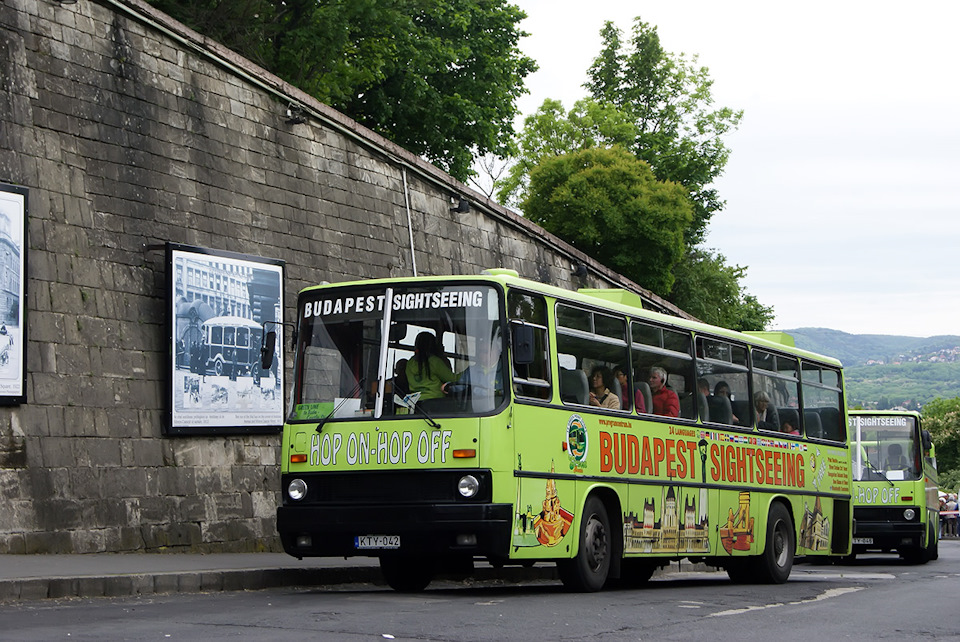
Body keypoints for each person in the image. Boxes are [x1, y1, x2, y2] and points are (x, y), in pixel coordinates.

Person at [406, 332, 458, 400]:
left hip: (415, 401)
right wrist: (468, 372)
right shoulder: (434, 361)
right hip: (435, 401)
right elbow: (452, 378)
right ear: (433, 346)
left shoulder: (410, 363)